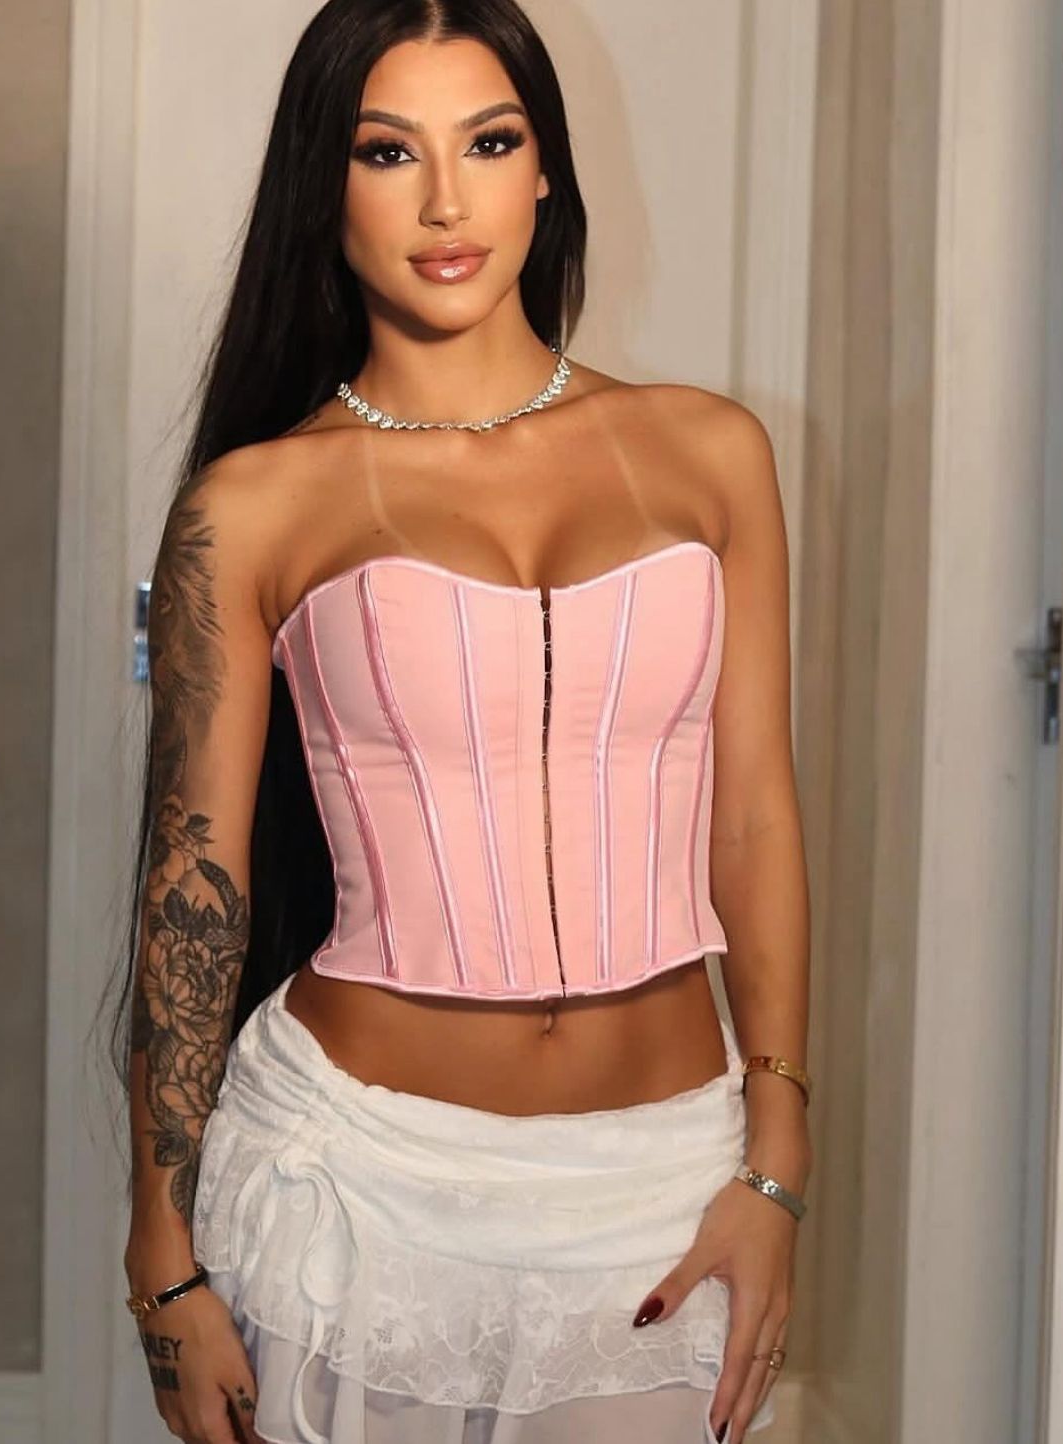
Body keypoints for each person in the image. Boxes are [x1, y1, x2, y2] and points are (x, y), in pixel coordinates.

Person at [102, 2, 813, 1441]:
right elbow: (195, 884)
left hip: (661, 1186)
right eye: (387, 152)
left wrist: (777, 1159)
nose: (445, 202)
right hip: (355, 1177)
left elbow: (752, 815)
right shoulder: (254, 505)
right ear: (324, 183)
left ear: (544, 170)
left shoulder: (711, 453)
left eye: (487, 142)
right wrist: (161, 1258)